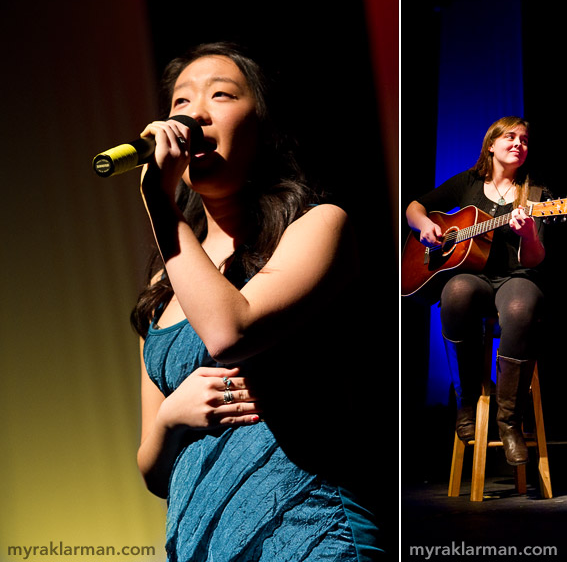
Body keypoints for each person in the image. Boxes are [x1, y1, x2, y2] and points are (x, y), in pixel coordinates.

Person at [131, 42, 383, 560]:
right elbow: (154, 472)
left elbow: (230, 331)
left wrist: (159, 202)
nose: (193, 114)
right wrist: (170, 418)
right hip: (198, 543)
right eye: (180, 104)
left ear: (265, 127)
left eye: (220, 95)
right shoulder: (165, 281)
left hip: (306, 530)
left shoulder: (319, 226)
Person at [405, 116, 548, 467]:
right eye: (510, 137)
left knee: (521, 306)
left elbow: (536, 258)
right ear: (491, 145)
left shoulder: (534, 194)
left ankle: (509, 421)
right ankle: (466, 400)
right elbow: (414, 207)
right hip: (475, 277)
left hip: (515, 276)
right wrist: (425, 226)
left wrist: (528, 233)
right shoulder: (468, 182)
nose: (518, 144)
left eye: (524, 140)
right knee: (456, 292)